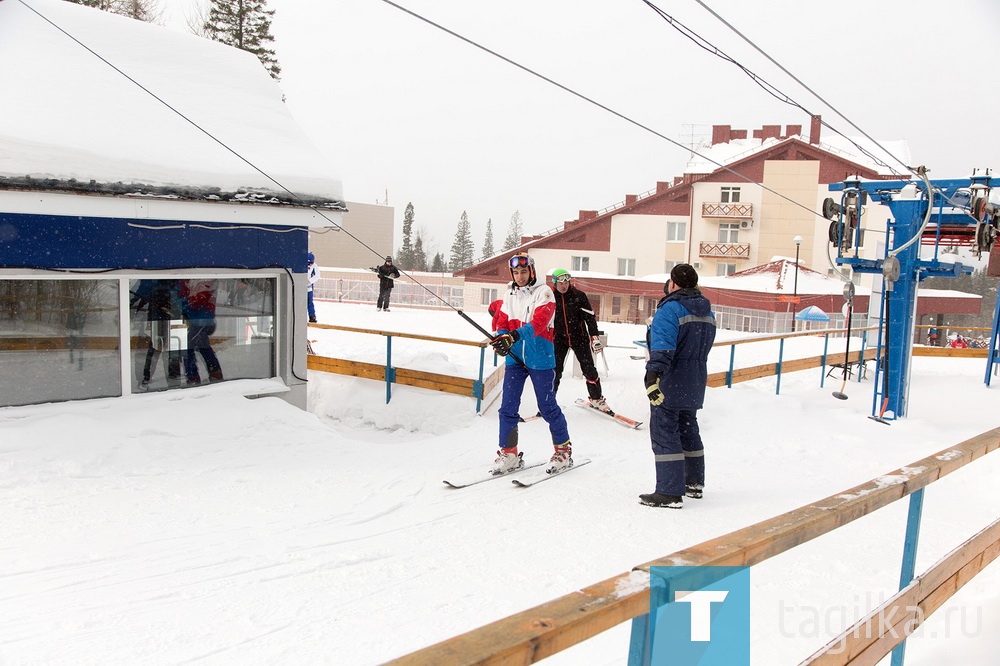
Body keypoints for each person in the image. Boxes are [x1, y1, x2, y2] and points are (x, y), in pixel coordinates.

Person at [489, 252, 573, 475]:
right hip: (515, 359)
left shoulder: (544, 292)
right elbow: (503, 321)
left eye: (523, 271)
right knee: (507, 407)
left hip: (540, 358)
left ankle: (563, 450)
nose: (519, 276)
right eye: (516, 272)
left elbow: (539, 323)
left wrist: (513, 336)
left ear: (532, 271)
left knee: (547, 407)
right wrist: (501, 338)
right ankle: (509, 453)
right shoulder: (510, 294)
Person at [640, 263, 716, 509]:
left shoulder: (670, 309)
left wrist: (653, 376)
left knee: (664, 430)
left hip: (671, 379)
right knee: (688, 428)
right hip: (695, 378)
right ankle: (693, 483)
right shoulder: (707, 310)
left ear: (673, 283)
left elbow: (663, 345)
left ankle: (669, 491)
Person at [550, 268, 609, 411]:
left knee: (589, 369)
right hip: (559, 339)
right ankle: (548, 402)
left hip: (579, 338)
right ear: (555, 283)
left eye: (566, 282)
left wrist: (594, 337)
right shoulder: (550, 297)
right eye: (561, 283)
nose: (564, 286)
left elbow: (590, 318)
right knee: (554, 371)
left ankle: (596, 399)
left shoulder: (579, 296)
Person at [132, 279, 181, 391]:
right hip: (159, 319)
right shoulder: (152, 279)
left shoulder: (155, 279)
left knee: (167, 350)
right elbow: (141, 293)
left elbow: (141, 293)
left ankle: (148, 378)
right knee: (158, 350)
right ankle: (146, 378)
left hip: (169, 319)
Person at [179, 279, 223, 385]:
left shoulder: (207, 278)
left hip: (203, 319)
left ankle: (192, 376)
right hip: (195, 318)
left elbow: (199, 299)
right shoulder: (186, 279)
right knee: (203, 346)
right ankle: (215, 373)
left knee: (188, 346)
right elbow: (182, 294)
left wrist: (183, 305)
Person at [307, 252, 319, 323]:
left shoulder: (314, 266)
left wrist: (310, 281)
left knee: (309, 303)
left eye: (311, 263)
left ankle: (312, 316)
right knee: (300, 302)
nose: (310, 265)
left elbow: (317, 275)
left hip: (309, 288)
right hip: (300, 287)